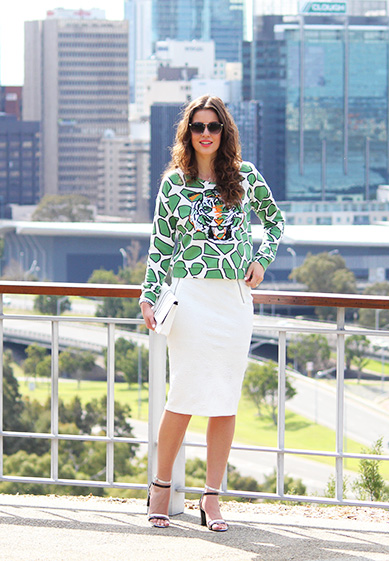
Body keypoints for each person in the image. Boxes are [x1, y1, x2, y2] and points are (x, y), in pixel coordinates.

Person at [139, 95, 284, 531]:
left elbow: (274, 221)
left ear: (225, 132)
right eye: (198, 126)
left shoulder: (245, 176)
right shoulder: (174, 184)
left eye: (214, 126)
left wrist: (262, 260)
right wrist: (148, 295)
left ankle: (212, 498)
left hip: (233, 302)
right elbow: (161, 244)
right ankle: (160, 488)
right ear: (188, 133)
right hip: (190, 299)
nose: (206, 133)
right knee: (182, 397)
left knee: (224, 401)